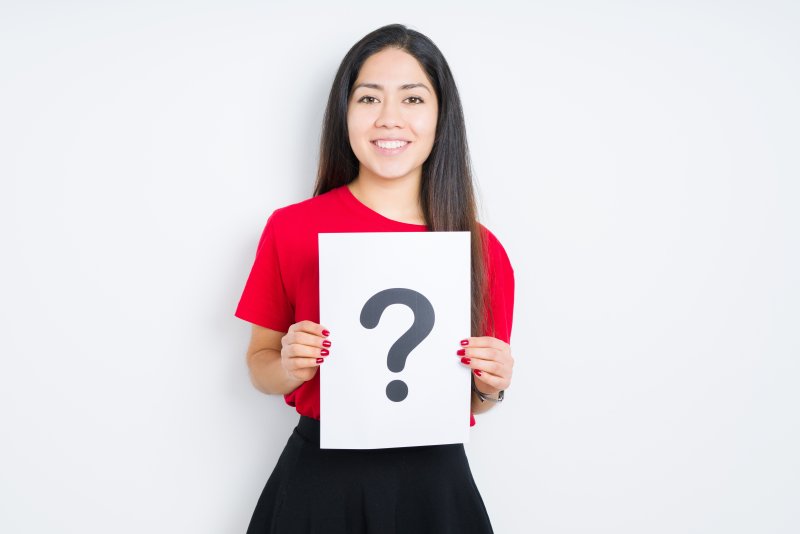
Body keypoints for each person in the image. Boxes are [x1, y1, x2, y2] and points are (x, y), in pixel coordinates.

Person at [235, 23, 515, 534]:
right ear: (344, 114)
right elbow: (260, 364)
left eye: (412, 98)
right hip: (319, 482)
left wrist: (493, 384)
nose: (390, 118)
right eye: (368, 98)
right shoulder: (292, 228)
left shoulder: (482, 250)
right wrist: (292, 366)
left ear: (441, 116)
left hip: (434, 487)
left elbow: (475, 400)